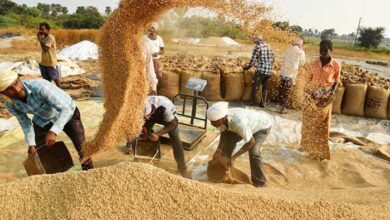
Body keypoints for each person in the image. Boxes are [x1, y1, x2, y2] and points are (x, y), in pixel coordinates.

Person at [0, 70, 93, 170]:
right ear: (4, 93)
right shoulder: (10, 103)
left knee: (82, 148)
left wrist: (53, 131)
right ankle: (54, 175)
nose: (17, 89)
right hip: (43, 118)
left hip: (67, 111)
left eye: (16, 83)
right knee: (40, 150)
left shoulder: (40, 87)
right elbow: (25, 123)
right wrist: (31, 144)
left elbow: (66, 110)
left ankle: (89, 173)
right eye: (10, 89)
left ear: (19, 79)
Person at [207, 102, 273, 187]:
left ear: (222, 118)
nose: (212, 124)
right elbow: (224, 133)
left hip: (262, 127)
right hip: (245, 125)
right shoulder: (222, 118)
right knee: (228, 143)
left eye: (213, 122)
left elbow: (251, 142)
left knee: (254, 152)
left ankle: (260, 182)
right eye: (211, 122)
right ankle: (224, 170)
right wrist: (218, 151)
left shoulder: (239, 122)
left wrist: (234, 157)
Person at [301, 39, 341, 160]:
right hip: (312, 96)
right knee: (308, 122)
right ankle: (307, 147)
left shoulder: (336, 65)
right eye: (321, 49)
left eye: (325, 49)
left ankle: (320, 151)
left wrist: (331, 93)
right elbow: (307, 80)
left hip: (325, 97)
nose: (322, 52)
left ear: (331, 50)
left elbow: (337, 81)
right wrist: (308, 93)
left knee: (322, 124)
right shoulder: (313, 64)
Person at [142, 96, 188, 177]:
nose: (147, 118)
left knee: (175, 138)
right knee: (144, 134)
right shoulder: (143, 104)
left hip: (170, 120)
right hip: (152, 114)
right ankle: (146, 160)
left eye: (147, 116)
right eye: (146, 117)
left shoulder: (165, 108)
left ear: (152, 110)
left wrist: (158, 134)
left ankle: (182, 169)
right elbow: (145, 118)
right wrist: (145, 130)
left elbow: (174, 124)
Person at [243, 35, 274, 108]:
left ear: (257, 41)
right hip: (269, 70)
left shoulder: (257, 47)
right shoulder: (269, 46)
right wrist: (269, 66)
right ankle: (263, 103)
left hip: (261, 70)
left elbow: (252, 60)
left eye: (254, 40)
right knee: (265, 87)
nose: (254, 41)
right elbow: (273, 58)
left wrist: (247, 67)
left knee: (255, 86)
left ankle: (253, 102)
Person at [278, 39, 306, 114]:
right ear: (300, 45)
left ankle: (280, 106)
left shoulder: (288, 49)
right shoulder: (301, 52)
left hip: (283, 73)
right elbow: (302, 63)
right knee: (287, 92)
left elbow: (283, 58)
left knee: (281, 90)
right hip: (290, 75)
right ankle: (283, 109)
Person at [37, 22, 61, 87]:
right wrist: (41, 39)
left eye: (42, 29)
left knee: (56, 79)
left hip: (51, 63)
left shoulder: (50, 38)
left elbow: (45, 50)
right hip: (44, 63)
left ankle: (61, 93)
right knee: (47, 81)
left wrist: (40, 40)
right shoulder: (43, 38)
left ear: (48, 30)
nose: (41, 31)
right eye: (40, 29)